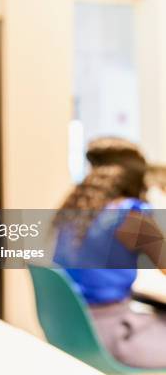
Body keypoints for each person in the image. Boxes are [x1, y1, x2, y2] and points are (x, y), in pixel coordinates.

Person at [53, 137, 166, 369]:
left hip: (71, 328)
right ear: (136, 173)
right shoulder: (131, 215)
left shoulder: (77, 210)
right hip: (112, 337)